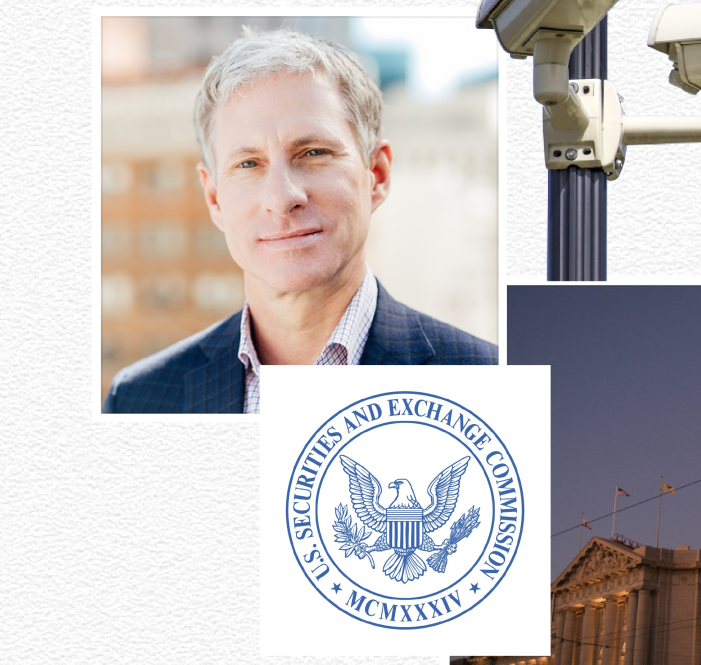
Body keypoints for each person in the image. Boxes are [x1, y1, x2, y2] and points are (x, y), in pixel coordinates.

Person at [103, 30, 497, 414]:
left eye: (313, 152)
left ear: (376, 174)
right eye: (248, 164)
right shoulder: (139, 400)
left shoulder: (489, 386)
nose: (282, 198)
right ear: (214, 198)